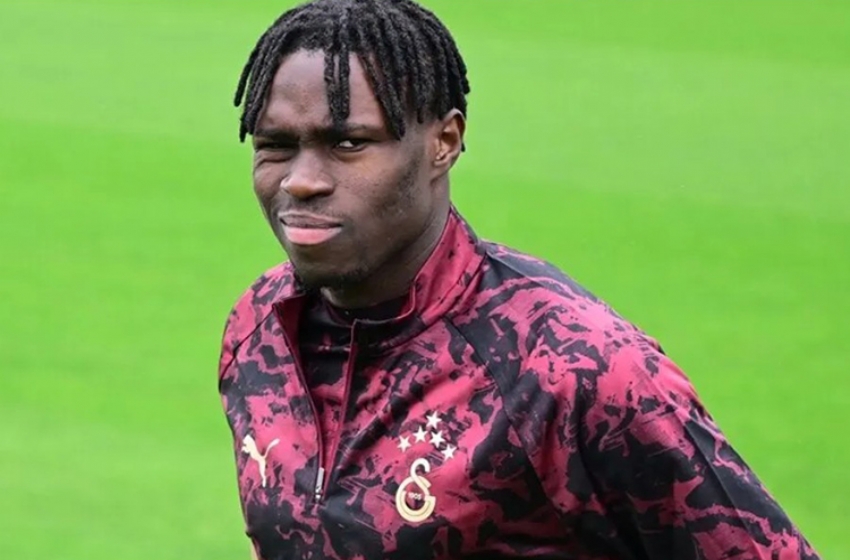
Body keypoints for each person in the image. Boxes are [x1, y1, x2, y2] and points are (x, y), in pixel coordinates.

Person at [217, 0, 820, 558]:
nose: (301, 180)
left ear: (444, 143)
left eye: (350, 143)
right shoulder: (259, 329)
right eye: (275, 146)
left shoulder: (574, 369)